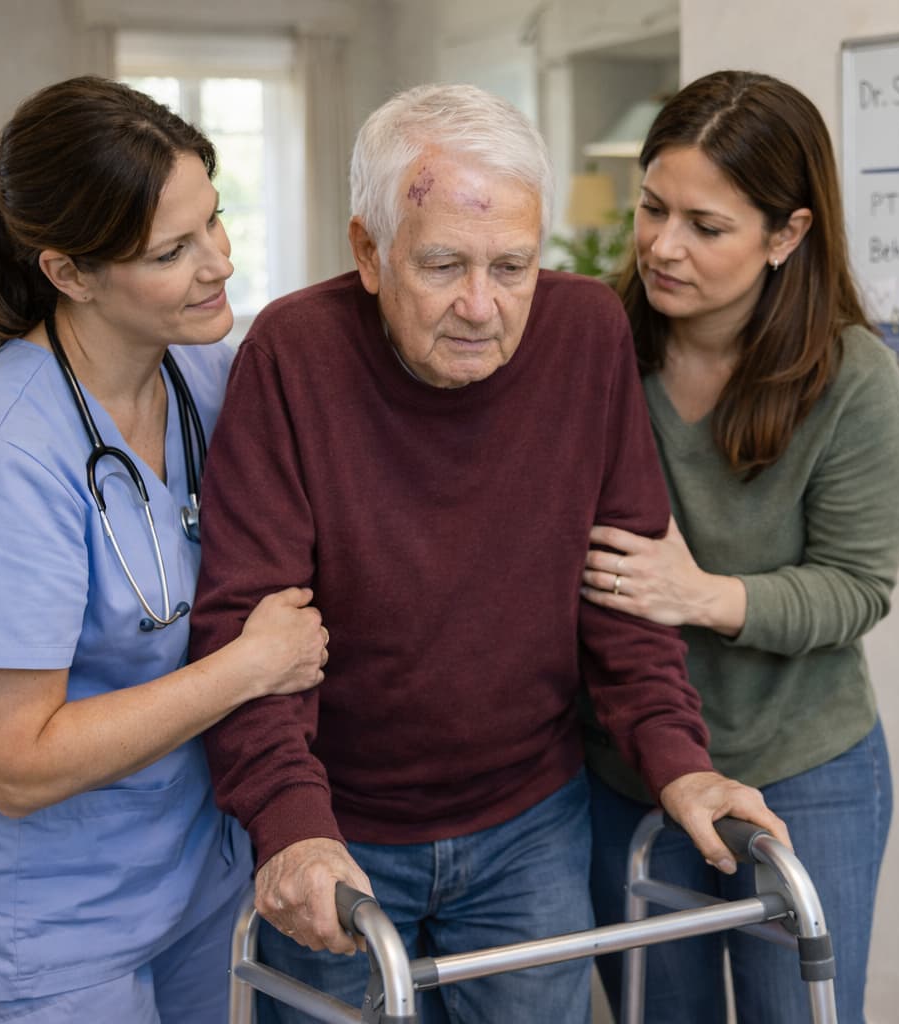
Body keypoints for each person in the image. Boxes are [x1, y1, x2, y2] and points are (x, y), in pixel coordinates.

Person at [188, 81, 788, 1024]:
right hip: (339, 828)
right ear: (369, 252)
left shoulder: (586, 332)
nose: (482, 306)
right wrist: (292, 830)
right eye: (443, 266)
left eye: (512, 266)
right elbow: (244, 627)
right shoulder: (291, 356)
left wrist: (681, 759)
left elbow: (621, 588)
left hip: (529, 827)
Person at [0, 76, 329, 1023]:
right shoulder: (1, 449)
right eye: (172, 251)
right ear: (68, 274)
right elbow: (15, 761)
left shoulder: (205, 371)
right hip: (52, 923)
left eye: (215, 219)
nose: (221, 264)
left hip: (199, 882)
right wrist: (249, 667)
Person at [580, 70, 899, 1023]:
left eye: (705, 226)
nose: (662, 245)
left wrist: (698, 595)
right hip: (627, 771)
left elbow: (855, 589)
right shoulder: (593, 344)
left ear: (788, 235)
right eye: (652, 207)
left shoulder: (853, 378)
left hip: (806, 771)